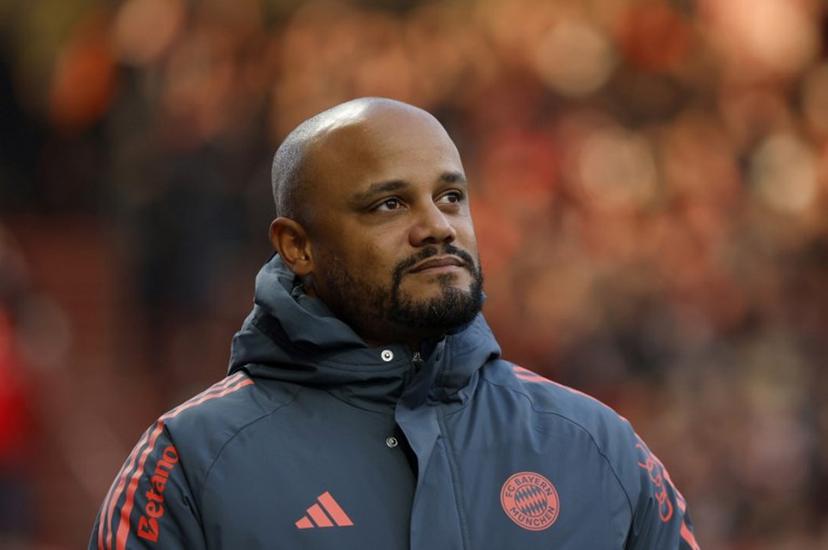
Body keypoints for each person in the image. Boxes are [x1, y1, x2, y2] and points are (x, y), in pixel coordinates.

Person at [90, 98, 699, 549]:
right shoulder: (190, 463)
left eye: (451, 197)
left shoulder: (597, 445)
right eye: (389, 204)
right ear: (298, 246)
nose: (437, 225)